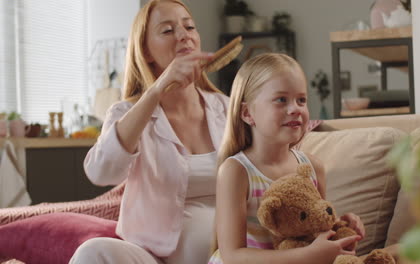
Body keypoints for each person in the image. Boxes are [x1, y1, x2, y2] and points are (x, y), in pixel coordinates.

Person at [70, 0, 229, 263]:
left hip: (223, 254)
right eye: (167, 30)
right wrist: (156, 91)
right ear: (146, 52)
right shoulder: (127, 113)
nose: (183, 35)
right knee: (92, 253)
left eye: (189, 27)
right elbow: (101, 172)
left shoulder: (226, 108)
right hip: (151, 257)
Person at [208, 53, 365, 264]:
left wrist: (340, 226)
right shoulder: (236, 171)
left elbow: (311, 229)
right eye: (281, 100)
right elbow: (233, 255)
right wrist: (309, 255)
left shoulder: (312, 167)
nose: (295, 109)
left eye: (301, 100)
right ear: (247, 113)